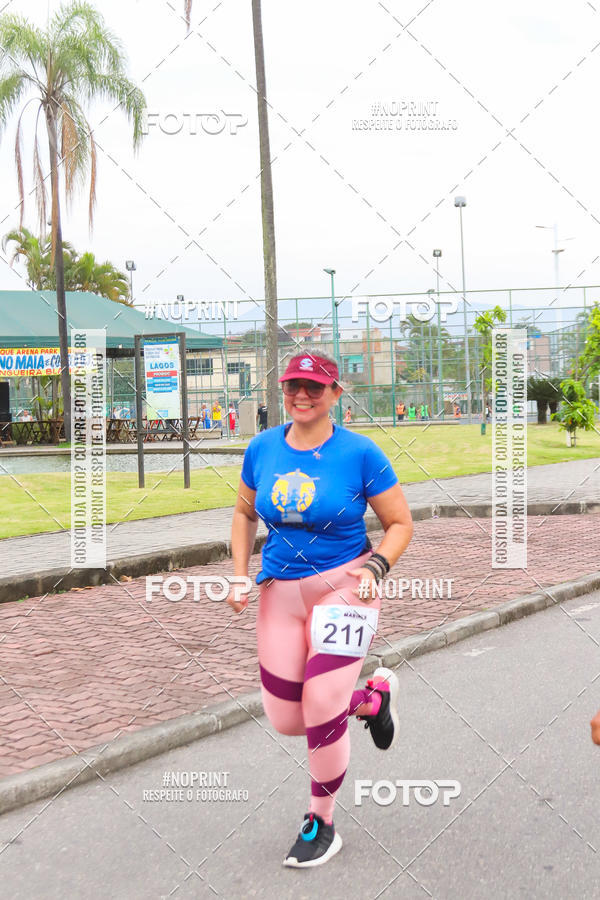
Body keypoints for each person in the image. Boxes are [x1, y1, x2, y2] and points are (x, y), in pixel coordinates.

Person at [228, 352, 413, 867]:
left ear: (335, 393)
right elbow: (244, 514)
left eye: (313, 386)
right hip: (280, 593)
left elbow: (400, 523)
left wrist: (377, 568)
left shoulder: (360, 453)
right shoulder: (262, 448)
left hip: (346, 588)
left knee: (321, 704)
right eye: (293, 386)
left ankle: (321, 822)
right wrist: (241, 573)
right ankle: (372, 700)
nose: (301, 396)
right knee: (288, 717)